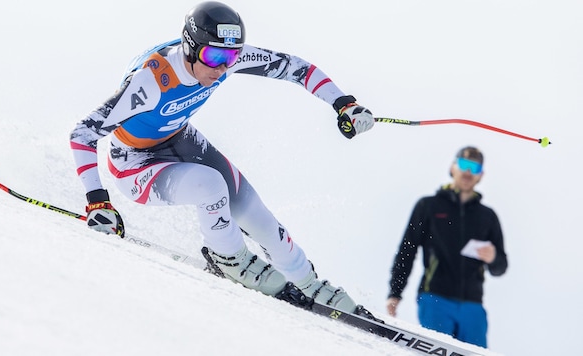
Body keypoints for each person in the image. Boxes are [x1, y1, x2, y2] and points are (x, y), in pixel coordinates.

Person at [69, 1, 375, 315]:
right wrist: (97, 201)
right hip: (133, 163)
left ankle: (310, 283)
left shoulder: (224, 56)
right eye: (214, 57)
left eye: (229, 58)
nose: (220, 68)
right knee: (211, 185)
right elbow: (83, 133)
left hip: (180, 139)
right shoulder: (150, 81)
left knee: (257, 216)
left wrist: (343, 103)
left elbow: (296, 68)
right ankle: (230, 258)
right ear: (190, 47)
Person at [386, 146, 508, 348]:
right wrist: (394, 292)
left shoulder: (488, 217)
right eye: (464, 165)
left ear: (481, 176)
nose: (468, 172)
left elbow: (500, 267)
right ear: (452, 167)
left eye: (475, 168)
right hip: (435, 299)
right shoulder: (428, 206)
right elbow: (407, 250)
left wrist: (493, 257)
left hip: (473, 307)